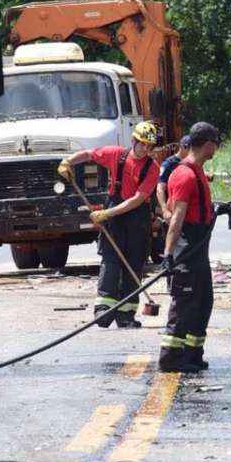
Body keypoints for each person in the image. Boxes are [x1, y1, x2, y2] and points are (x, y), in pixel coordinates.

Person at [58, 121, 161, 328]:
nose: (146, 149)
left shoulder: (152, 168)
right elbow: (89, 154)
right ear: (134, 141)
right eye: (142, 144)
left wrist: (106, 213)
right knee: (111, 258)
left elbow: (138, 199)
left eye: (149, 146)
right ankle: (104, 309)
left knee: (133, 262)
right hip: (115, 210)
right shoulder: (116, 155)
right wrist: (67, 161)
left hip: (136, 216)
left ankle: (126, 314)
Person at [158, 122, 220, 373]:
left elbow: (197, 208)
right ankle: (171, 358)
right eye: (215, 144)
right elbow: (177, 218)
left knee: (203, 301)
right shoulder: (185, 174)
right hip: (187, 248)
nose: (216, 148)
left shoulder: (198, 172)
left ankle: (192, 353)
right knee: (184, 303)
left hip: (198, 248)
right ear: (207, 144)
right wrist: (168, 254)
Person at [156, 135, 191, 220]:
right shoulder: (168, 164)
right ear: (183, 147)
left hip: (188, 208)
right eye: (190, 149)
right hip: (173, 209)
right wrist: (165, 210)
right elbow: (160, 189)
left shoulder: (191, 162)